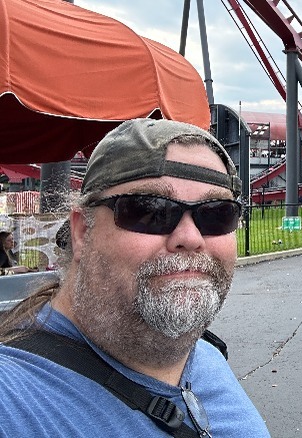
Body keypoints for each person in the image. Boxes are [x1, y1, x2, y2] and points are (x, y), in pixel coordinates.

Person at [0, 119, 271, 437]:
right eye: (151, 210)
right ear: (83, 232)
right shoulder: (13, 400)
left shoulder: (204, 355)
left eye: (217, 213)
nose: (190, 237)